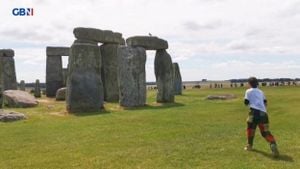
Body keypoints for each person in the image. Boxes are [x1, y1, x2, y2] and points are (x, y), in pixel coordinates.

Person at [244, 77, 279, 157]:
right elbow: (265, 102)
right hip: (263, 113)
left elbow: (246, 102)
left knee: (250, 129)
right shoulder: (261, 91)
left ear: (249, 84)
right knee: (265, 132)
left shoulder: (248, 91)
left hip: (253, 113)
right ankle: (273, 145)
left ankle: (249, 146)